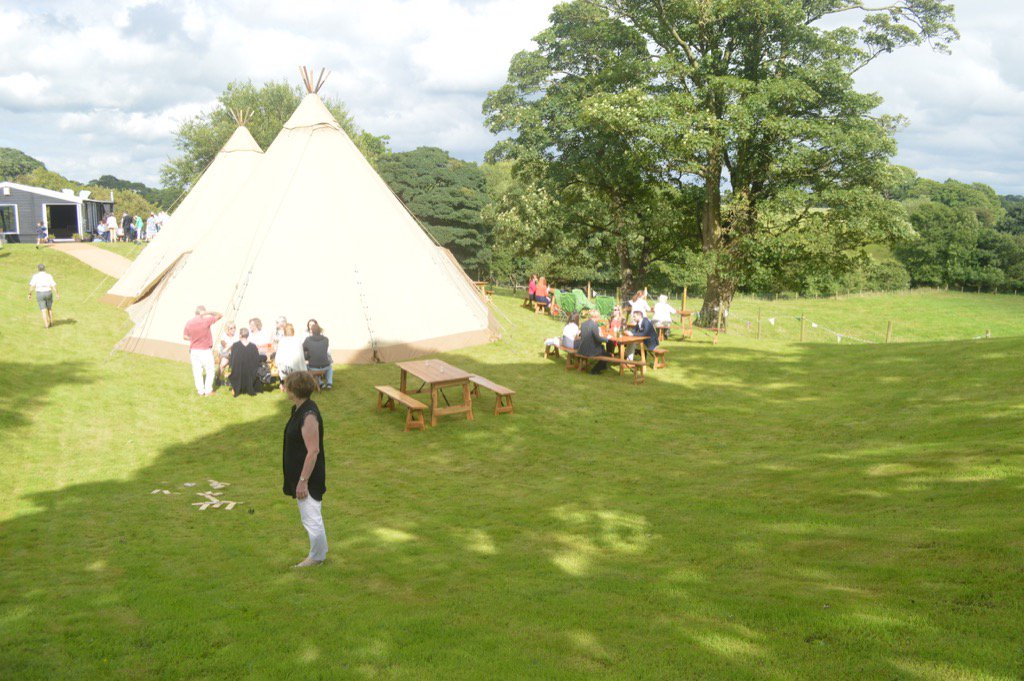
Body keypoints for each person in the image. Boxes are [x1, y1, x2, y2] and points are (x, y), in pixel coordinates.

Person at [282, 371, 328, 568]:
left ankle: (316, 557)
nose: (284, 388)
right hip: (301, 475)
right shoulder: (299, 409)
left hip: (308, 477)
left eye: (287, 386)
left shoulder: (308, 415)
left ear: (295, 390)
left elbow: (313, 450)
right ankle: (319, 552)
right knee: (310, 515)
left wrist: (303, 480)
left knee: (311, 516)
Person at [183, 305, 222, 396]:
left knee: (197, 371)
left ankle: (200, 391)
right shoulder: (205, 320)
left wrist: (193, 339)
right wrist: (208, 312)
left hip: (194, 350)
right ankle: (208, 391)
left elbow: (185, 336)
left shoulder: (189, 322)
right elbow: (220, 315)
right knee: (210, 370)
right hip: (205, 350)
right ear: (203, 312)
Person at [228, 328, 261, 397]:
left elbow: (232, 360)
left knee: (235, 370)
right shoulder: (253, 346)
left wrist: (231, 367)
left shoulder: (235, 345)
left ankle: (237, 388)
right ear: (248, 335)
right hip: (250, 372)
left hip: (238, 371)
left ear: (240, 335)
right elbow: (257, 360)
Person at [303, 319, 333, 390]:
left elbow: (303, 348)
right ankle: (329, 383)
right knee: (330, 367)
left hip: (313, 367)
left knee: (308, 367)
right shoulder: (326, 339)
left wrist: (307, 355)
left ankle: (320, 383)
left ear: (312, 331)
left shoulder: (307, 339)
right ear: (320, 331)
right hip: (326, 366)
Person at [578, 309, 610, 373]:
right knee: (607, 355)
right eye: (599, 316)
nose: (599, 318)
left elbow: (581, 335)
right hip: (590, 350)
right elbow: (598, 339)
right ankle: (595, 370)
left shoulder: (584, 323)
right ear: (596, 317)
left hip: (582, 349)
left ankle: (603, 366)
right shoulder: (594, 325)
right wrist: (607, 339)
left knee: (602, 348)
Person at [28, 264, 59, 328]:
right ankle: (51, 322)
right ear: (44, 269)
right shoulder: (49, 276)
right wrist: (57, 293)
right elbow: (53, 285)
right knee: (49, 308)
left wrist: (29, 294)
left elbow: (32, 286)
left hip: (40, 293)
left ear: (38, 269)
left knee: (43, 310)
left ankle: (46, 325)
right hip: (48, 292)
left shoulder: (35, 276)